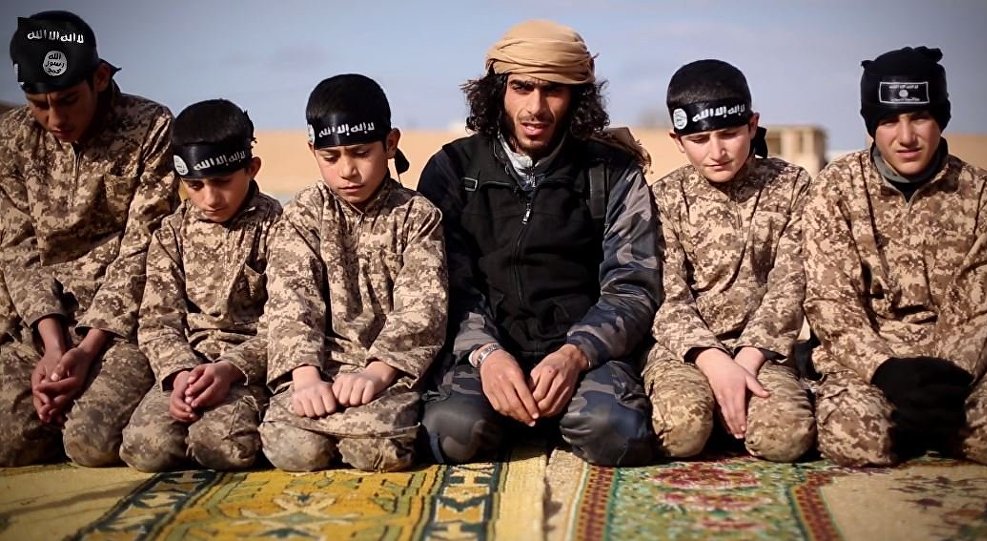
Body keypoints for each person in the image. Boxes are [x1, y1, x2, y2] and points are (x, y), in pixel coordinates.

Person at [417, 20, 660, 466]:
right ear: (498, 91)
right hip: (486, 354)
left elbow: (632, 286)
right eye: (522, 88)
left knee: (615, 433)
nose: (536, 107)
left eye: (553, 90)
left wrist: (577, 353)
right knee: (451, 431)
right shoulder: (452, 169)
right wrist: (486, 354)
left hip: (581, 354)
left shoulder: (612, 172)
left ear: (577, 97)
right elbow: (444, 287)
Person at [804, 46, 987, 467]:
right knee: (855, 439)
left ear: (941, 119)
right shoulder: (836, 188)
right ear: (872, 126)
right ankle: (925, 433)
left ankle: (924, 429)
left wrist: (947, 383)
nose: (906, 136)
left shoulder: (981, 192)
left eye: (920, 117)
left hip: (957, 368)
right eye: (889, 121)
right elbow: (830, 301)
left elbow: (983, 307)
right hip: (869, 364)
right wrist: (885, 370)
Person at [0, 10, 178, 466]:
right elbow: (17, 249)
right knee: (9, 441)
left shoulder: (150, 127)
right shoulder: (13, 137)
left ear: (100, 78)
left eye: (67, 100)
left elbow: (144, 247)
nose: (55, 118)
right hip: (40, 325)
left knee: (90, 443)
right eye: (39, 104)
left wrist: (87, 348)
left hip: (119, 328)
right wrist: (53, 346)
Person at [259, 73, 447, 472]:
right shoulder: (302, 214)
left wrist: (376, 374)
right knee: (293, 450)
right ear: (313, 150)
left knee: (377, 451)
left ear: (390, 143)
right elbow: (291, 302)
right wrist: (306, 378)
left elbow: (423, 310)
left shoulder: (417, 216)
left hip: (390, 374)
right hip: (317, 369)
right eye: (331, 157)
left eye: (361, 153)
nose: (347, 170)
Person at [643, 59, 816, 462]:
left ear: (752, 125)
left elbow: (791, 286)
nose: (717, 152)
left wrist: (748, 360)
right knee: (681, 431)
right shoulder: (663, 198)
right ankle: (716, 414)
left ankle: (734, 415)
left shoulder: (792, 187)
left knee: (785, 438)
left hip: (765, 353)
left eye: (729, 134)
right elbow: (666, 296)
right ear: (677, 139)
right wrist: (714, 362)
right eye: (699, 139)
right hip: (684, 353)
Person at [119, 100, 281, 472]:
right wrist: (180, 375)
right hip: (189, 367)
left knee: (222, 449)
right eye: (194, 185)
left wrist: (231, 369)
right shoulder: (172, 233)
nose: (209, 198)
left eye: (222, 182)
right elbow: (157, 321)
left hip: (247, 370)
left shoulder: (279, 227)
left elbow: (286, 323)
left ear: (251, 168)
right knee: (145, 449)